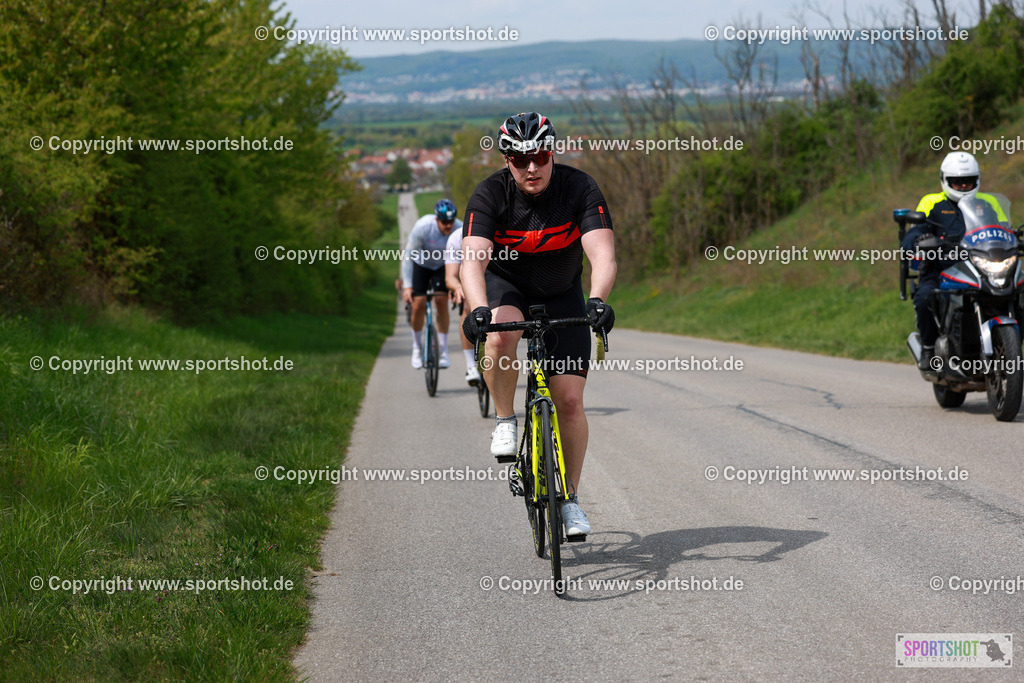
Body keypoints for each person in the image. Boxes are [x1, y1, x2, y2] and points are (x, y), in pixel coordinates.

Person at [460, 112, 617, 537]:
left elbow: (602, 254)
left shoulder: (579, 188)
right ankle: (506, 420)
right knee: (503, 329)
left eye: (541, 156)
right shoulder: (490, 195)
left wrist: (598, 299)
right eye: (520, 159)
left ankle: (569, 499)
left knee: (568, 402)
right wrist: (477, 309)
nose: (533, 167)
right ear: (507, 161)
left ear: (553, 153)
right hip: (506, 287)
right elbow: (472, 260)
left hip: (561, 291)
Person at [901, 151, 1008, 370]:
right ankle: (929, 348)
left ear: (976, 180)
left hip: (982, 268)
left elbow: (1005, 230)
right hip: (941, 268)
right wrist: (919, 240)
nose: (962, 186)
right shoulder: (932, 203)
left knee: (1017, 290)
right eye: (957, 182)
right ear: (945, 181)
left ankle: (1009, 346)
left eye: (968, 182)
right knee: (925, 297)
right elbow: (915, 232)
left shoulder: (988, 202)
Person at [401, 199, 462, 369]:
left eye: (450, 222)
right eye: (444, 222)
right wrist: (407, 286)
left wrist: (456, 284)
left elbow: (464, 259)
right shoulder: (423, 227)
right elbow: (408, 257)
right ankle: (416, 348)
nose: (448, 226)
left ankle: (442, 351)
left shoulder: (460, 228)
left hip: (443, 266)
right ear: (436, 220)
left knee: (442, 302)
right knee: (418, 303)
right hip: (421, 265)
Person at [443, 223, 483, 386]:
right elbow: (450, 276)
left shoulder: (496, 232)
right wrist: (458, 287)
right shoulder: (456, 238)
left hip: (493, 278)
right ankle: (471, 365)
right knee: (466, 305)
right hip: (468, 280)